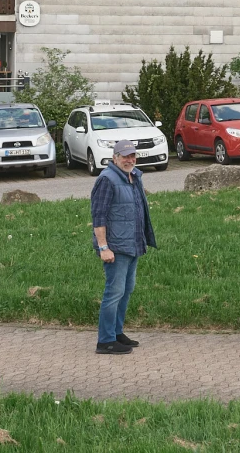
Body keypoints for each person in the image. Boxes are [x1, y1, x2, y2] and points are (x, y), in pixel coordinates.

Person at [91, 140, 157, 354]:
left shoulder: (134, 176)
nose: (129, 160)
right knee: (114, 292)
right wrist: (103, 247)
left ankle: (116, 332)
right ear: (115, 158)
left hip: (133, 244)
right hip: (116, 248)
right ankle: (105, 341)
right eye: (125, 156)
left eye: (132, 156)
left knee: (126, 291)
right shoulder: (107, 180)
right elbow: (98, 216)